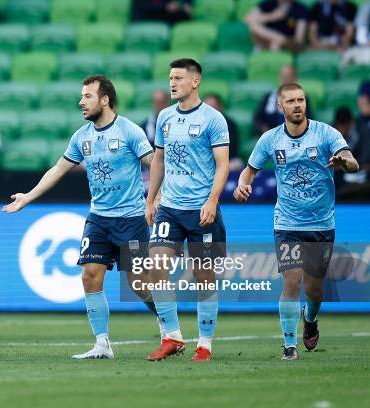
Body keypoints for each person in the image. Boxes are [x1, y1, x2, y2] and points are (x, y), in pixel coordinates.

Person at [4, 75, 156, 360]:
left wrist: (156, 198)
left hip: (130, 219)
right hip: (98, 218)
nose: (81, 101)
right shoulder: (81, 136)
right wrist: (28, 196)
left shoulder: (129, 131)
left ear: (105, 99)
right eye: (81, 96)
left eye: (87, 96)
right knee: (89, 274)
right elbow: (57, 170)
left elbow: (154, 163)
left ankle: (167, 326)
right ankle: (102, 344)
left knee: (139, 284)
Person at [234, 83, 359, 360]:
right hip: (287, 223)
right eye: (291, 101)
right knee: (291, 281)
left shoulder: (326, 133)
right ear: (280, 107)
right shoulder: (270, 140)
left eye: (301, 100)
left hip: (321, 223)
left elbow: (353, 162)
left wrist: (343, 161)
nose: (297, 105)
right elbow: (249, 170)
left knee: (314, 290)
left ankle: (310, 319)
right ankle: (289, 345)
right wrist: (242, 185)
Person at [145, 58, 230, 363]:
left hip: (200, 210)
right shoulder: (165, 117)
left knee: (204, 277)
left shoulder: (213, 119)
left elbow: (222, 166)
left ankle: (204, 343)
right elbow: (158, 160)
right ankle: (172, 336)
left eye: (178, 78)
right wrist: (150, 199)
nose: (172, 83)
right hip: (169, 207)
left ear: (195, 82)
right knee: (155, 267)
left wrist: (212, 200)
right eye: (170, 77)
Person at [253, 64, 313, 137]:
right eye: (284, 77)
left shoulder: (302, 99)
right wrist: (264, 129)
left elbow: (308, 121)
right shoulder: (269, 96)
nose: (285, 80)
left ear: (294, 78)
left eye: (288, 77)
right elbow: (257, 118)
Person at [337, 81, 370, 198]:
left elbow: (366, 152)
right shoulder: (360, 122)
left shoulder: (361, 128)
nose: (361, 101)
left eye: (364, 99)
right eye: (360, 98)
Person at [203, 93, 242, 171]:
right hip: (203, 160)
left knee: (236, 164)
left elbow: (232, 147)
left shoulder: (229, 124)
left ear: (220, 107)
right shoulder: (196, 123)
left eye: (213, 106)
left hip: (226, 159)